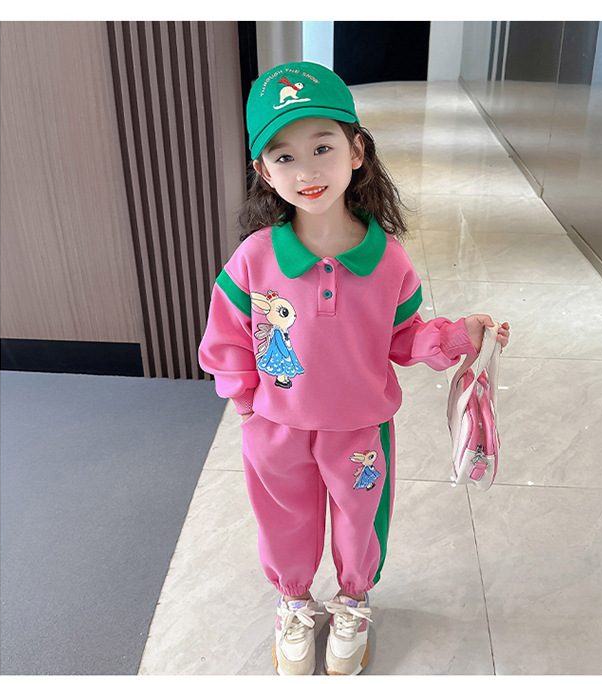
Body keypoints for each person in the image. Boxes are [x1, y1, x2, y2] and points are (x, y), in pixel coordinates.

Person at [198, 61, 510, 676]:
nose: (307, 171)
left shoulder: (387, 259)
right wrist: (248, 402)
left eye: (323, 147)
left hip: (361, 430)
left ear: (357, 151)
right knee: (283, 519)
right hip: (276, 428)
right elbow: (226, 337)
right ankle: (294, 602)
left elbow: (404, 337)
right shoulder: (255, 258)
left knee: (360, 521)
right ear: (263, 171)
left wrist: (458, 336)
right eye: (284, 157)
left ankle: (354, 600)